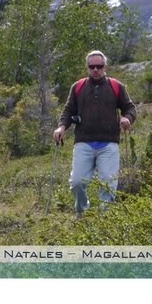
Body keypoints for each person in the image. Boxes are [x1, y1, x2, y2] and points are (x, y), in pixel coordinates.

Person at [53, 50, 136, 219]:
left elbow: (129, 108)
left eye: (99, 66)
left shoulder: (116, 86)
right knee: (77, 182)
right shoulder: (77, 87)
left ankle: (105, 220)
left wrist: (127, 118)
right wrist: (61, 128)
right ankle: (82, 213)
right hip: (83, 143)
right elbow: (68, 110)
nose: (96, 69)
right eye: (92, 67)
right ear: (87, 67)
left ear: (105, 66)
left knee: (108, 184)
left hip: (109, 143)